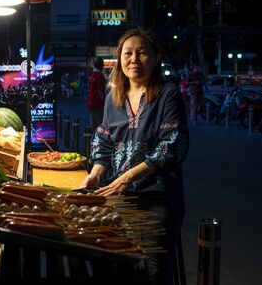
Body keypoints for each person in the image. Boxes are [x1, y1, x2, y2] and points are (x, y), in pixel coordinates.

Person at [80, 28, 189, 284]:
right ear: (119, 59)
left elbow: (173, 144)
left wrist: (128, 177)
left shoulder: (168, 93)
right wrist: (96, 172)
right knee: (118, 267)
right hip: (120, 196)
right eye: (128, 53)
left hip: (158, 197)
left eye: (142, 53)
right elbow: (104, 138)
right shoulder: (112, 97)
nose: (134, 60)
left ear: (156, 57)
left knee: (153, 272)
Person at [87, 56, 107, 129]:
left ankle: (92, 139)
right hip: (98, 104)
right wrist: (105, 102)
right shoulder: (100, 75)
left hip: (91, 104)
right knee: (101, 126)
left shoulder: (91, 75)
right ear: (102, 65)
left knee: (93, 126)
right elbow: (100, 91)